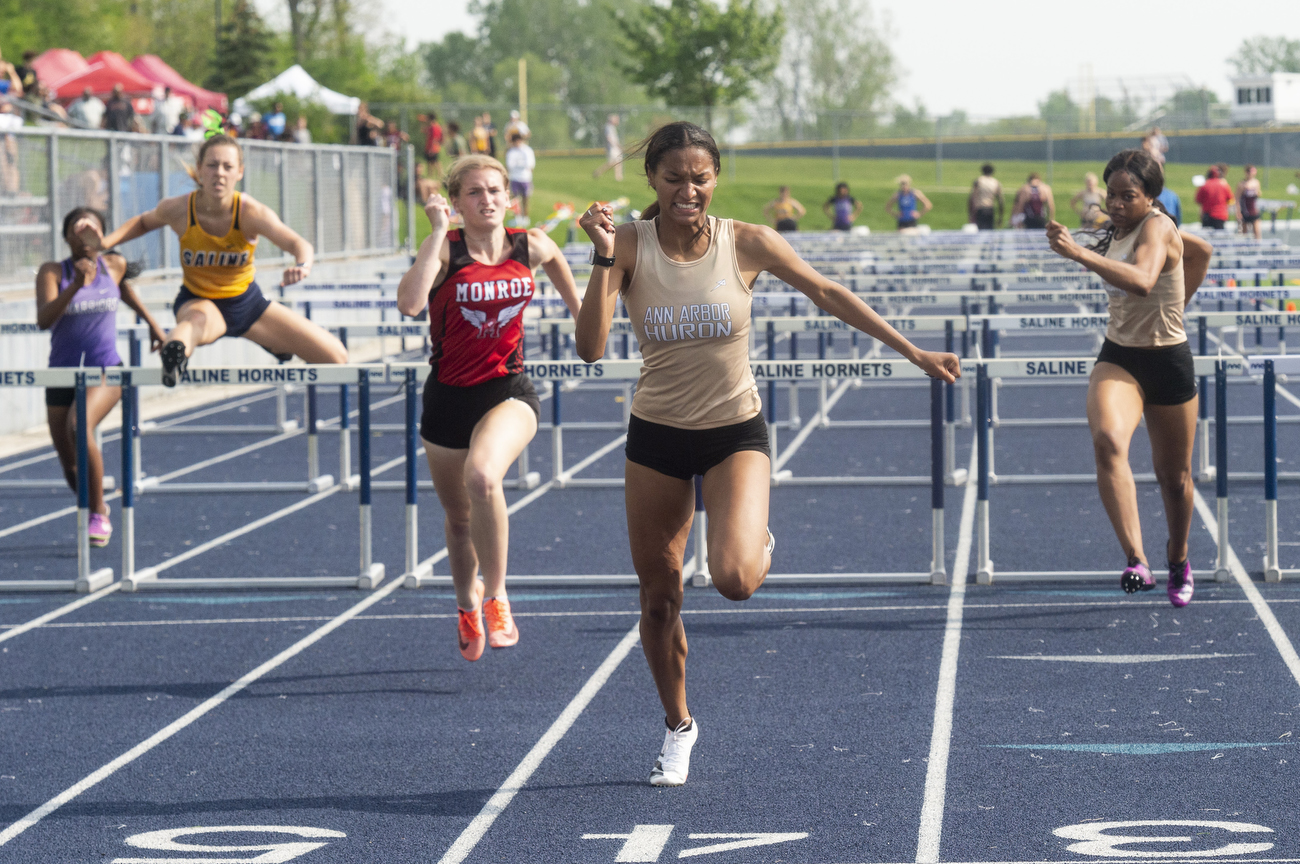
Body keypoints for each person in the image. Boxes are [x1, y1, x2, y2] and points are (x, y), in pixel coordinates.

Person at [575, 121, 959, 787]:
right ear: (652, 183)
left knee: (735, 580)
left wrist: (913, 350)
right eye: (673, 178)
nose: (687, 189)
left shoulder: (746, 241)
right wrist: (604, 257)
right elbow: (589, 346)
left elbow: (827, 293)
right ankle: (678, 726)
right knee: (659, 598)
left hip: (733, 432)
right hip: (656, 436)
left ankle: (752, 537)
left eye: (700, 177)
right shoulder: (631, 245)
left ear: (716, 178)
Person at [396, 155, 581, 663]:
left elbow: (574, 292)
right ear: (456, 203)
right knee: (458, 520)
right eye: (474, 192)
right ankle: (465, 604)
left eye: (495, 190)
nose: (488, 200)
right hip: (448, 398)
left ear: (509, 197)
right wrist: (436, 231)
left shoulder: (531, 244)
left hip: (508, 391)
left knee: (483, 479)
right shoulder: (445, 251)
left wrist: (586, 317)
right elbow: (410, 304)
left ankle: (497, 595)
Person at [1045, 148, 1214, 610]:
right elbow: (1202, 250)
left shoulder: (1159, 226)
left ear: (1152, 197)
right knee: (1108, 441)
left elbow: (1142, 280)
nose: (1117, 205)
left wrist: (1078, 253)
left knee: (1173, 477)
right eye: (1112, 195)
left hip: (1168, 361)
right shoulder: (1114, 228)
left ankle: (1177, 558)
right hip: (1119, 356)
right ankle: (1137, 559)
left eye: (1128, 197)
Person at [89, 134, 347, 387]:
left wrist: (303, 265)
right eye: (212, 165)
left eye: (227, 166)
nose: (219, 173)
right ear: (200, 170)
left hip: (247, 303)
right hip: (199, 300)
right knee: (192, 326)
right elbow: (144, 221)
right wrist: (104, 243)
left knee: (337, 359)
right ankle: (174, 356)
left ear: (240, 172)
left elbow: (298, 244)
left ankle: (268, 340)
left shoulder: (250, 213)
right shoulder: (179, 209)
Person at [36, 207, 168, 546]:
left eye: (91, 228)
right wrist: (76, 285)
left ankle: (98, 512)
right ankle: (94, 500)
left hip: (106, 368)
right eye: (77, 229)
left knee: (79, 427)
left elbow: (123, 290)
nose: (84, 234)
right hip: (62, 373)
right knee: (69, 465)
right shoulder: (53, 272)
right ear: (67, 237)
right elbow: (44, 319)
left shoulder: (114, 265)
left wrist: (153, 325)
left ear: (101, 236)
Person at [504, 132, 536, 221]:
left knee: (526, 198)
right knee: (515, 199)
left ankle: (525, 217)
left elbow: (530, 164)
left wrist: (518, 165)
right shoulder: (511, 151)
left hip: (525, 178)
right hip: (514, 177)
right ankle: (517, 217)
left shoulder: (527, 150)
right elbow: (509, 165)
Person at [968, 163, 1003, 230]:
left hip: (980, 209)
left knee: (980, 231)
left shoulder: (978, 181)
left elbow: (972, 198)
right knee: (989, 232)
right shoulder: (995, 182)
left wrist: (970, 214)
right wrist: (1000, 216)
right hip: (990, 209)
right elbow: (1001, 201)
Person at [593, 113, 624, 181]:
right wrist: (616, 145)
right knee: (614, 162)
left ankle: (599, 172)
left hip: (614, 147)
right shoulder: (609, 127)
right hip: (613, 148)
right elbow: (609, 138)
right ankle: (617, 177)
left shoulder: (612, 127)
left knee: (615, 162)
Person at [1237, 164, 1262, 240]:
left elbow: (1258, 194)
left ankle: (1257, 247)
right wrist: (1238, 212)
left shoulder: (1256, 183)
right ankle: (1244, 248)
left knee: (1257, 231)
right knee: (1244, 232)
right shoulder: (1242, 184)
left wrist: (1257, 192)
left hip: (1253, 210)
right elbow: (1237, 198)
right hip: (1245, 210)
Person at [423, 112, 444, 182]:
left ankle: (437, 176)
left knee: (433, 163)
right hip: (434, 147)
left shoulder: (433, 127)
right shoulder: (437, 126)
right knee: (433, 162)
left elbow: (434, 138)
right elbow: (424, 131)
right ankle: (436, 176)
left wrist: (431, 149)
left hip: (432, 147)